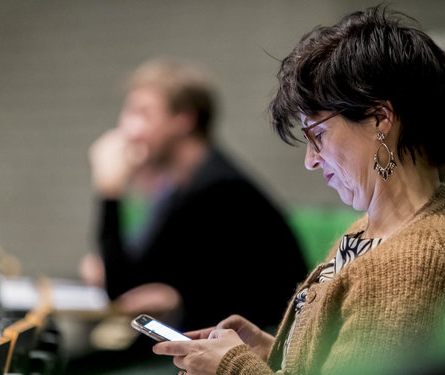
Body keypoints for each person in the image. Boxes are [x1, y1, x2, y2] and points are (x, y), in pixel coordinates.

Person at [153, 7, 445, 375]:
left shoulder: (407, 263)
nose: (310, 160)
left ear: (380, 118)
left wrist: (233, 366)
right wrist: (274, 352)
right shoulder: (369, 231)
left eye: (318, 134)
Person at [87, 57, 306, 332]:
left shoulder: (219, 190)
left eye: (142, 113)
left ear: (184, 119)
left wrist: (109, 190)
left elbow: (120, 289)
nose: (127, 129)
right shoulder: (181, 186)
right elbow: (135, 277)